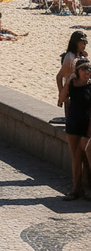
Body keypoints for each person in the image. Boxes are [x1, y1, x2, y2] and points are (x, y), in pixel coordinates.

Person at [58, 57, 91, 200]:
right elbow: (62, 98)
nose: (87, 72)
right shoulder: (72, 84)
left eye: (89, 69)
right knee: (76, 157)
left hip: (87, 125)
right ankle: (76, 189)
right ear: (77, 71)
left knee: (88, 157)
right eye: (83, 69)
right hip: (73, 123)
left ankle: (87, 188)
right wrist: (67, 83)